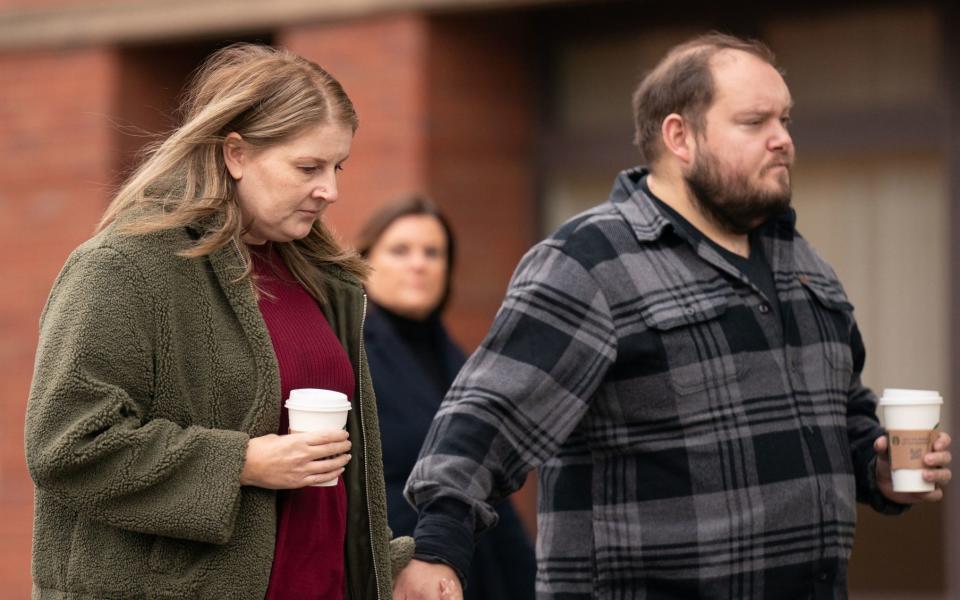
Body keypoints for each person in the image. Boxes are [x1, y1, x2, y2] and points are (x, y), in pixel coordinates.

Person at [393, 33, 953, 600]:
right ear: (679, 136)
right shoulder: (589, 261)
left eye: (785, 120)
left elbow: (843, 412)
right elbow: (488, 415)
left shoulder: (801, 260)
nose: (783, 139)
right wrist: (438, 547)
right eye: (755, 122)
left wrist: (880, 468)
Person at [24, 43, 414, 600]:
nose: (331, 190)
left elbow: (339, 482)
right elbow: (66, 445)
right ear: (235, 154)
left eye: (337, 166)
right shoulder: (124, 267)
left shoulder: (325, 280)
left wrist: (389, 565)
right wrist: (241, 463)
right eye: (308, 167)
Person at [356, 195, 537, 600]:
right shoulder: (349, 354)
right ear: (364, 262)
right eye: (400, 250)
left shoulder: (460, 358)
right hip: (394, 575)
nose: (419, 263)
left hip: (476, 573)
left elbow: (490, 492)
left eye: (433, 252)